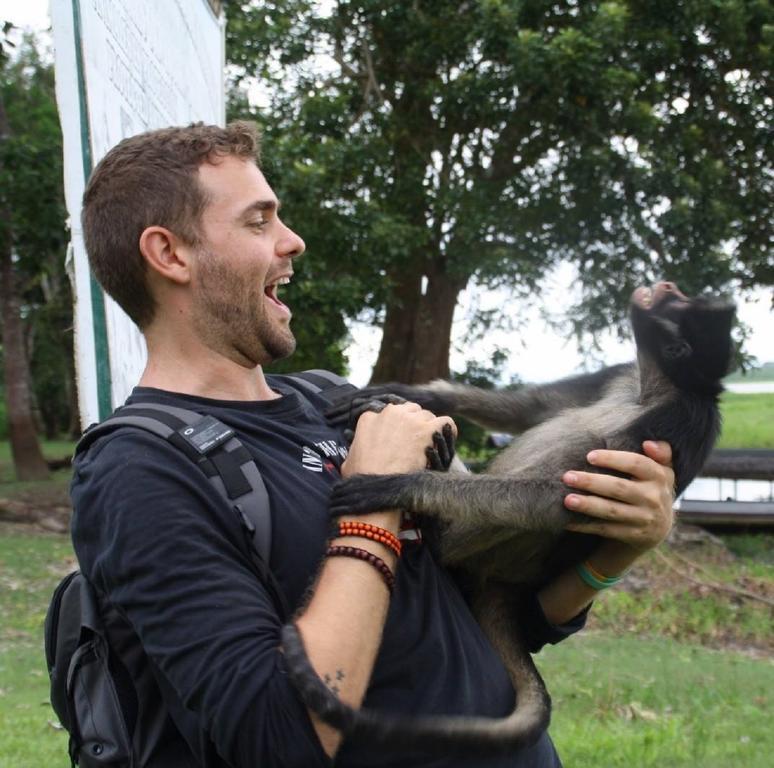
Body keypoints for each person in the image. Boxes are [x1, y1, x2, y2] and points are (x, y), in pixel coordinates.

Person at [71, 121, 675, 767]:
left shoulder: (333, 402)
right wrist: (374, 500)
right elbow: (280, 739)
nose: (292, 241)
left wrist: (611, 553)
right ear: (170, 254)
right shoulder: (141, 469)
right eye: (258, 222)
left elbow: (483, 621)